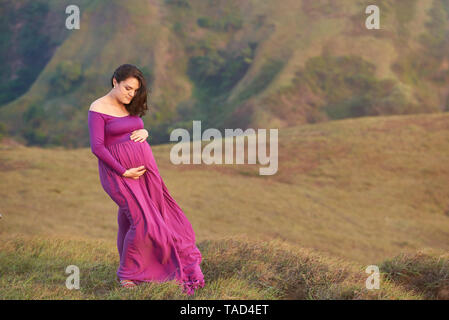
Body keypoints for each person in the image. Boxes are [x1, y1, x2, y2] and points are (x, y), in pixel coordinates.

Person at [87, 64, 205, 295]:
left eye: (134, 91)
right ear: (115, 82)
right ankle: (128, 275)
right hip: (120, 174)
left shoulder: (128, 105)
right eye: (127, 88)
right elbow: (97, 147)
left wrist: (145, 132)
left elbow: (134, 126)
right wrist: (123, 171)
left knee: (130, 220)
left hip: (145, 171)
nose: (130, 94)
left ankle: (127, 266)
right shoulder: (98, 107)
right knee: (143, 221)